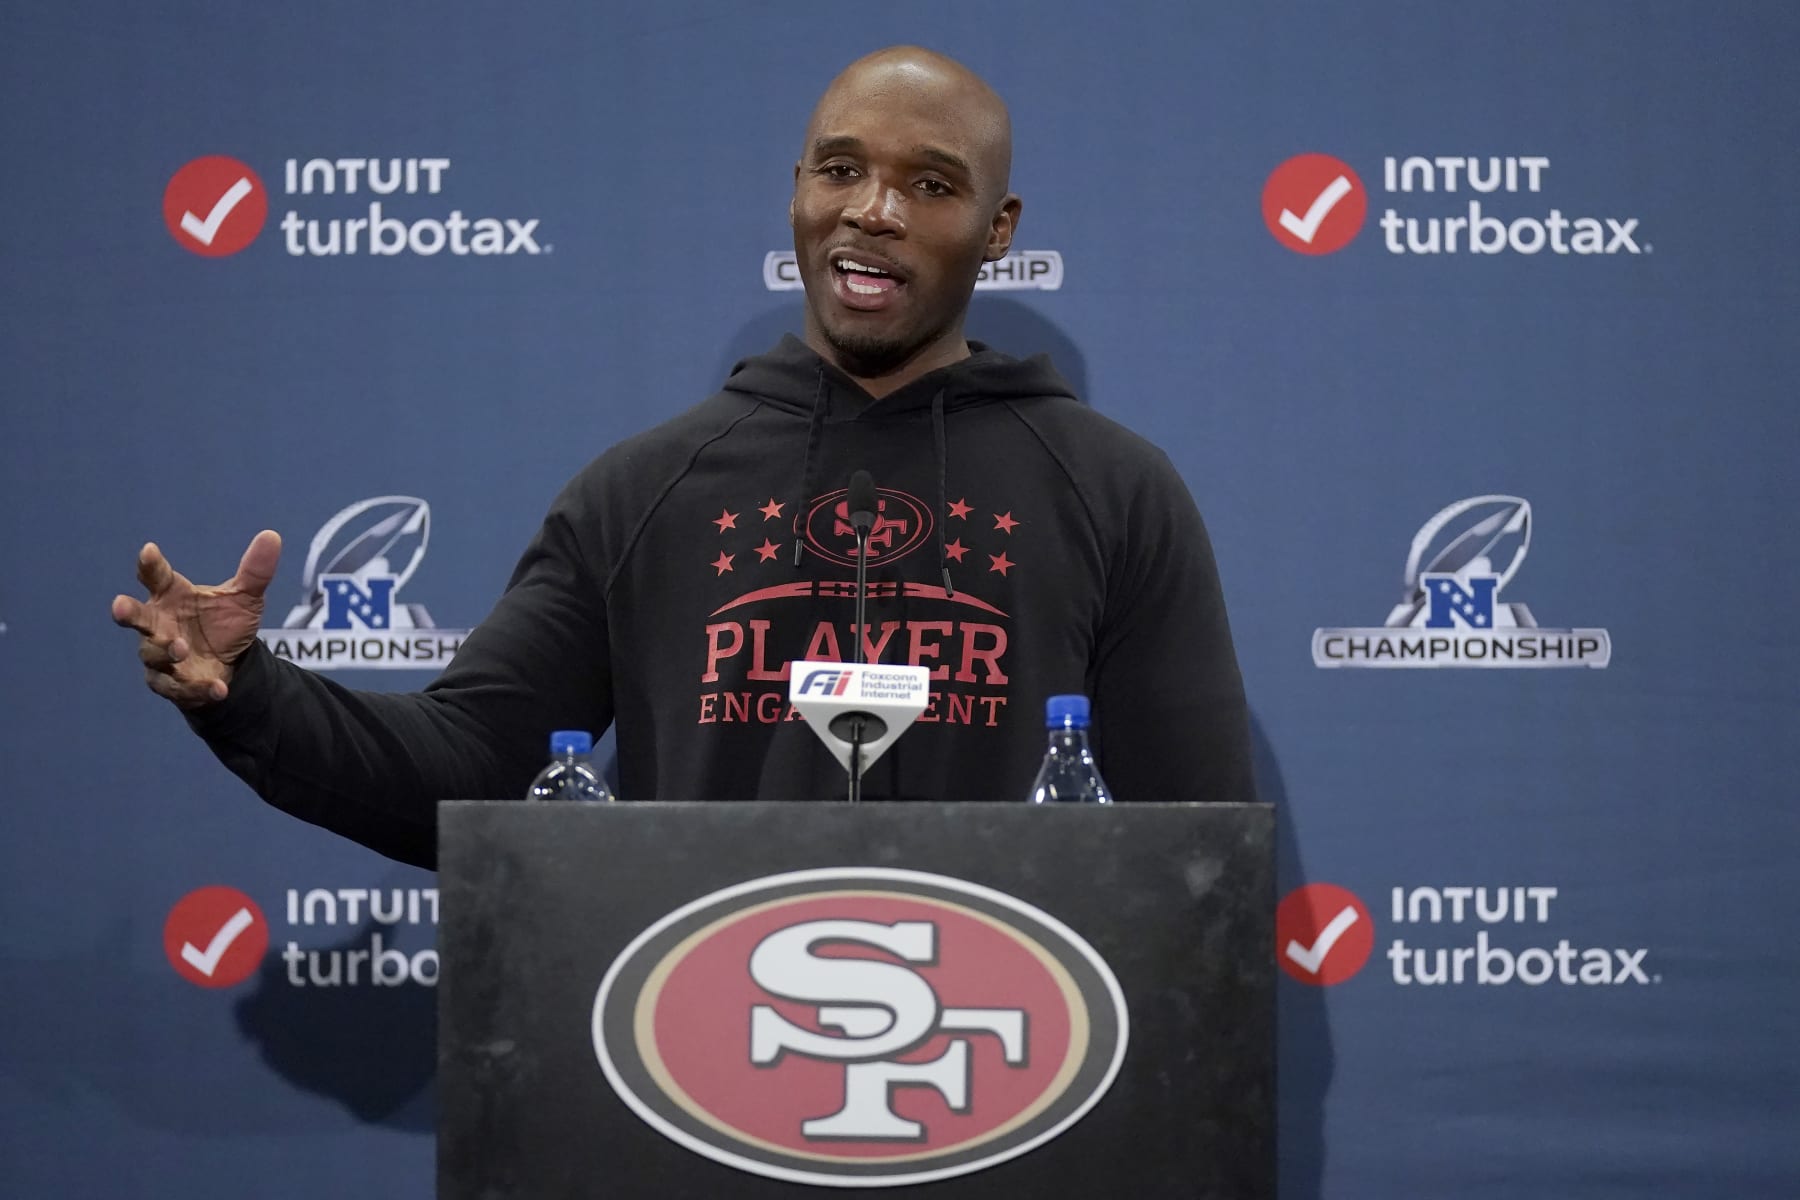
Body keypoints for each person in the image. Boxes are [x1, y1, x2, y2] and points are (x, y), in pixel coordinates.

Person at [111, 46, 1253, 869]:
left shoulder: (1114, 491)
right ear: (797, 194)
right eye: (839, 170)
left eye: (933, 185)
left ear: (1000, 230)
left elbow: (1201, 848)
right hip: (702, 1071)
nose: (875, 211)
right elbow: (465, 773)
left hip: (1021, 1079)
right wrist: (248, 695)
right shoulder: (641, 494)